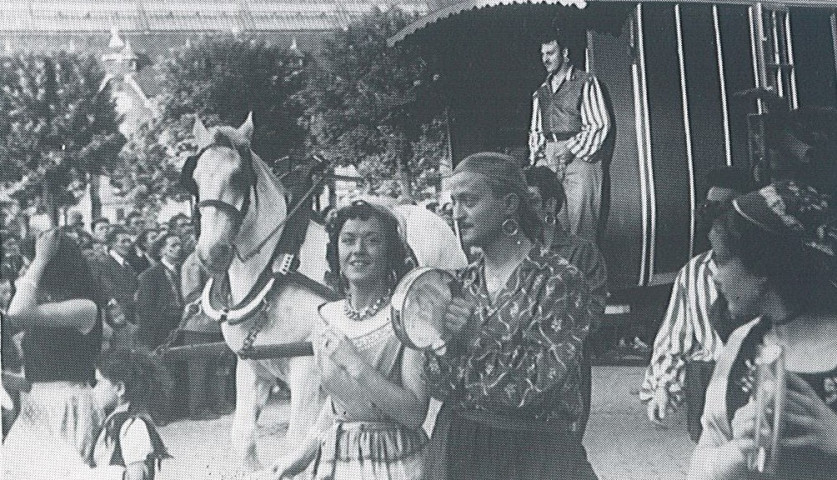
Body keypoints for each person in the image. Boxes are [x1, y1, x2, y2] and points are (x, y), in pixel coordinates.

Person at [425, 152, 597, 480]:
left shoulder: (557, 280)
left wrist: (473, 336)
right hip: (460, 448)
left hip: (533, 454)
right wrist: (445, 344)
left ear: (509, 204)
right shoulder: (460, 284)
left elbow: (537, 386)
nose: (457, 214)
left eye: (469, 201)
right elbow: (437, 383)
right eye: (454, 202)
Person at [268, 200, 428, 480]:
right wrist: (300, 457)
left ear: (390, 251)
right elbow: (337, 406)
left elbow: (414, 413)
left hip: (396, 461)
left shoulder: (409, 317)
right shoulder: (325, 317)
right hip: (339, 460)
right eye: (348, 240)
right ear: (336, 250)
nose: (358, 250)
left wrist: (356, 365)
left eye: (372, 240)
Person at [688, 181, 837, 480]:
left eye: (722, 260)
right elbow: (699, 468)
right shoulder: (743, 344)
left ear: (763, 269)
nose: (715, 276)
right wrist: (735, 453)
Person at [641, 166, 751, 441]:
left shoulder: (767, 273)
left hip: (757, 383)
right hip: (710, 384)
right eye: (709, 209)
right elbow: (674, 337)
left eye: (726, 210)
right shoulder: (694, 272)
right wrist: (663, 387)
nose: (717, 219)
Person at [4, 229, 105, 478]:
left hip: (67, 406)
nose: (22, 275)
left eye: (27, 266)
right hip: (38, 404)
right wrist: (10, 380)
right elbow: (46, 375)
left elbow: (17, 312)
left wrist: (40, 259)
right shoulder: (48, 308)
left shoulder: (84, 307)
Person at [525, 165, 608, 439]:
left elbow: (594, 310)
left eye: (532, 200)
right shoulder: (515, 252)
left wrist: (561, 338)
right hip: (520, 363)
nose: (524, 209)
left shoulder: (582, 251)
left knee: (566, 445)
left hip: (567, 364)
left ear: (550, 205)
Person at [529, 28, 612, 244]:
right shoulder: (541, 91)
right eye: (543, 54)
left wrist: (571, 149)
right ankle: (563, 276)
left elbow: (600, 124)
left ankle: (587, 275)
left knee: (582, 226)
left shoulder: (586, 82)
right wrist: (538, 159)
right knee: (555, 224)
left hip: (581, 159)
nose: (545, 59)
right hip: (550, 158)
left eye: (551, 53)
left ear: (565, 53)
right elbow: (537, 130)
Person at [91, 348, 173, 480]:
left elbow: (135, 476)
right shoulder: (114, 420)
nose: (93, 390)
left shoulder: (133, 426)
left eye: (99, 383)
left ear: (119, 388)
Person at [180, 248, 231, 419]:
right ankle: (198, 408)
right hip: (199, 325)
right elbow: (191, 294)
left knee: (220, 366)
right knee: (198, 371)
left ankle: (218, 401)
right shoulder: (194, 261)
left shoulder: (222, 258)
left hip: (221, 322)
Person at [93, 226, 140, 349]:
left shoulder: (127, 265)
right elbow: (110, 292)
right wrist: (134, 298)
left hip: (131, 318)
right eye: (123, 241)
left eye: (129, 241)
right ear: (112, 243)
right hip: (117, 319)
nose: (128, 245)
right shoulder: (104, 264)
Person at [135, 233, 184, 350]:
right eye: (173, 245)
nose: (179, 248)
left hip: (184, 327)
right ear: (162, 250)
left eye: (180, 244)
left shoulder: (184, 270)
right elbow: (145, 309)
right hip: (161, 332)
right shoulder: (149, 276)